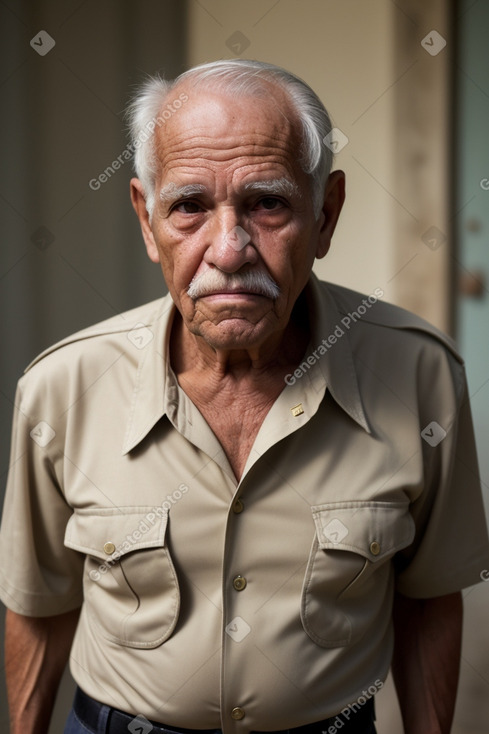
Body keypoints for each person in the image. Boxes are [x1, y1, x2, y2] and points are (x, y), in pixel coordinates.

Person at [1, 59, 488, 734]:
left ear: (325, 215)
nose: (228, 251)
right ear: (147, 219)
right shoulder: (62, 388)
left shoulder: (418, 374)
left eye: (267, 204)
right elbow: (39, 602)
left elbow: (429, 598)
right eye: (189, 207)